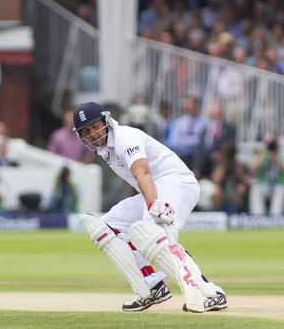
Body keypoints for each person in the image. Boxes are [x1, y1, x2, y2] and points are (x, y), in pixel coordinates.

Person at [73, 102, 227, 313]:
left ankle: (210, 293)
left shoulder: (124, 137)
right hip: (157, 186)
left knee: (150, 234)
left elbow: (143, 173)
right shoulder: (105, 150)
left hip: (176, 183)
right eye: (87, 131)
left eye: (95, 126)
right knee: (108, 227)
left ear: (106, 121)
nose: (93, 134)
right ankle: (151, 285)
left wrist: (154, 204)